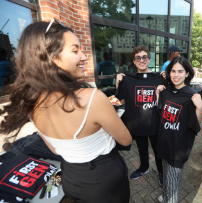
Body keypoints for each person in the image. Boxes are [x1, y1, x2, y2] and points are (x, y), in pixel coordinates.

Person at [0, 20, 132, 202]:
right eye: (75, 50)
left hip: (71, 179)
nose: (84, 57)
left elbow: (55, 149)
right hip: (105, 179)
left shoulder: (30, 102)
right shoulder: (91, 97)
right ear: (51, 57)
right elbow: (126, 139)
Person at [156, 56, 202, 202]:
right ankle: (165, 196)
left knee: (173, 183)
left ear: (187, 73)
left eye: (180, 71)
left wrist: (200, 107)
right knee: (166, 175)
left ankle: (169, 199)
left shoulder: (191, 96)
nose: (176, 75)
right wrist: (158, 94)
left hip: (178, 147)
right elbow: (159, 115)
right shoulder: (166, 92)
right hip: (164, 142)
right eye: (173, 71)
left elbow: (195, 126)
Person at [116, 45, 165, 185]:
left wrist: (167, 79)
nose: (141, 60)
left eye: (144, 57)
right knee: (142, 149)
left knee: (157, 150)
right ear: (134, 60)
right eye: (138, 58)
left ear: (149, 59)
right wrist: (118, 82)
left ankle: (161, 171)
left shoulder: (160, 78)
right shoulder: (128, 78)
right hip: (138, 122)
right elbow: (121, 101)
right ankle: (144, 167)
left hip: (155, 121)